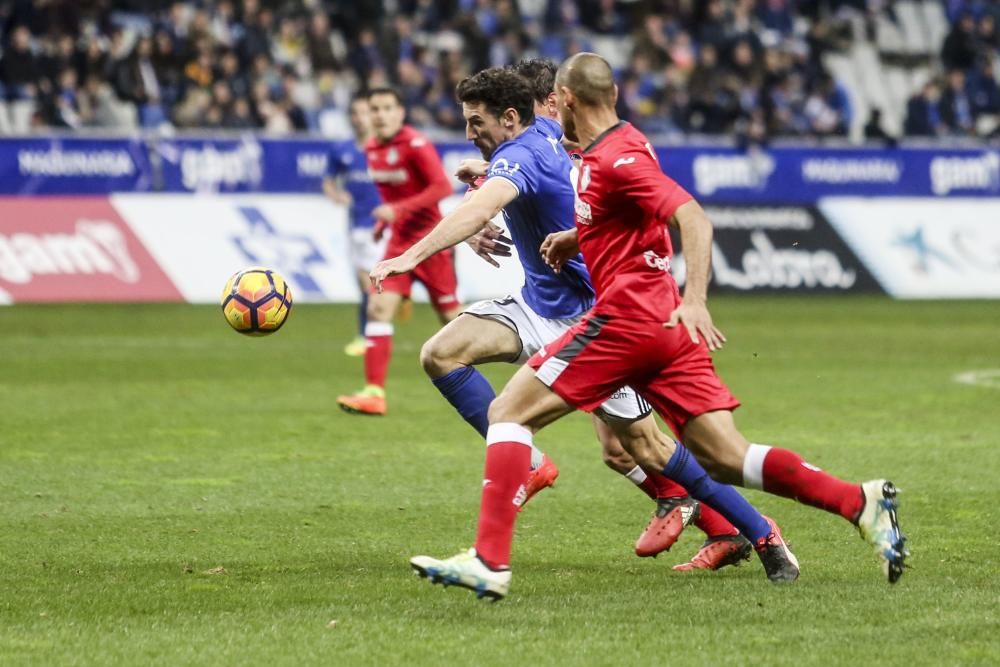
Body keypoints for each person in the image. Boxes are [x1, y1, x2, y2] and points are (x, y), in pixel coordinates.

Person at [392, 53, 908, 600]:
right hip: (654, 322)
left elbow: (691, 216)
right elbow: (591, 203)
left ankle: (491, 561)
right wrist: (572, 237)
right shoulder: (600, 147)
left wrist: (698, 299)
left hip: (624, 319)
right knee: (725, 455)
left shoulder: (615, 159)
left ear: (562, 101)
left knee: (513, 414)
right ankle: (858, 501)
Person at [439, 58, 759, 571]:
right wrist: (480, 184)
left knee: (639, 448)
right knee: (445, 354)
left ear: (541, 105)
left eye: (557, 101)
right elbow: (518, 171)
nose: (559, 111)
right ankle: (527, 466)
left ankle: (745, 528)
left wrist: (475, 201)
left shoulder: (579, 147)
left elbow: (534, 172)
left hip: (598, 314)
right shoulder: (548, 140)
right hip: (544, 306)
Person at [336, 87, 460, 416]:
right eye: (374, 108)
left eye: (387, 108)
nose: (380, 115)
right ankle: (374, 393)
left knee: (452, 321)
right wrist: (384, 223)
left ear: (400, 113)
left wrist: (399, 211)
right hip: (397, 242)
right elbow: (392, 196)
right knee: (378, 308)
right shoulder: (373, 148)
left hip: (431, 242)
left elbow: (442, 187)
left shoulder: (416, 145)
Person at [323, 94, 384, 357]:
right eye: (355, 113)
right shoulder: (342, 151)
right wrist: (337, 195)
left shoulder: (385, 149)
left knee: (374, 284)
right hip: (356, 225)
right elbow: (328, 181)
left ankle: (367, 335)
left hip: (384, 226)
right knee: (365, 285)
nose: (359, 118)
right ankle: (367, 334)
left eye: (364, 112)